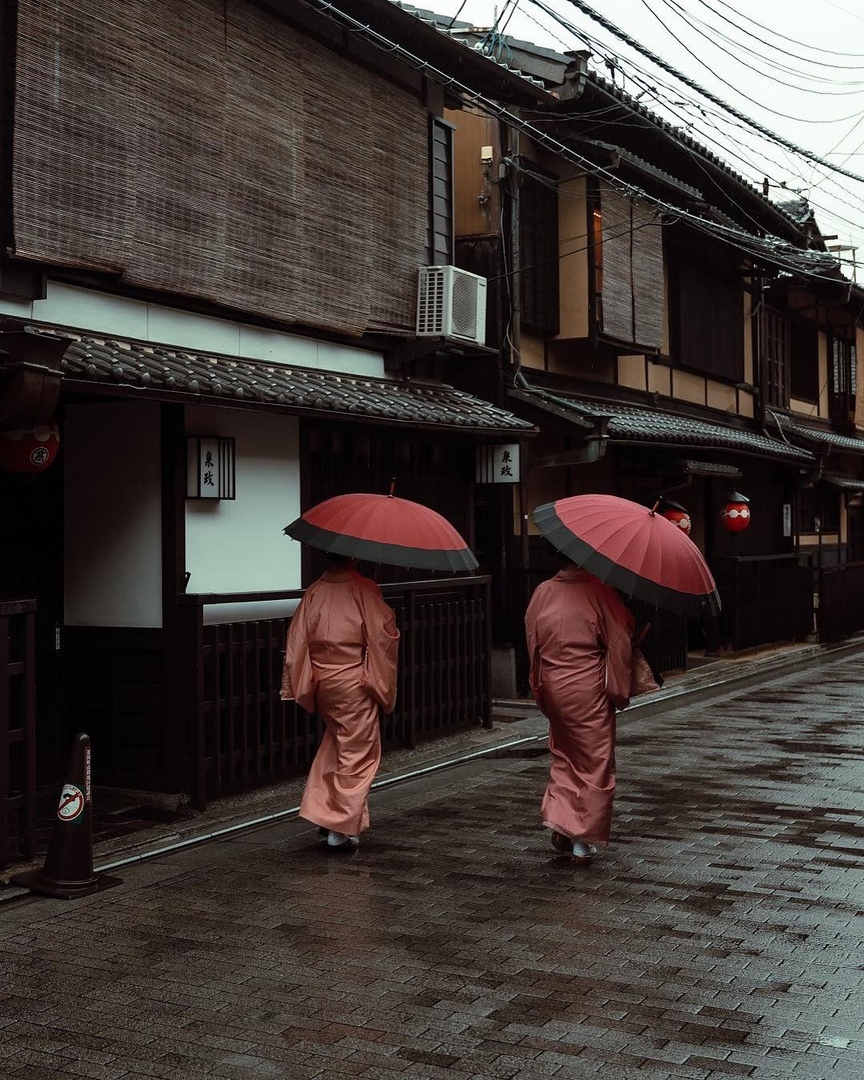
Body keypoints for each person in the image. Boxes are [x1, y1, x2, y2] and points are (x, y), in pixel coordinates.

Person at [281, 553, 400, 850]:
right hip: (353, 683)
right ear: (354, 559)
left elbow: (297, 640)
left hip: (324, 681)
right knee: (358, 753)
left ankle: (327, 813)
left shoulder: (315, 591)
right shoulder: (363, 588)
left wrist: (302, 680)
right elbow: (382, 636)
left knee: (338, 745)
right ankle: (342, 824)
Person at [524, 558, 634, 864]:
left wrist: (539, 684)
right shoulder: (601, 592)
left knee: (565, 754)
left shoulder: (544, 591)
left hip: (554, 685)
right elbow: (620, 640)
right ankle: (581, 840)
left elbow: (532, 641)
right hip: (589, 687)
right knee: (593, 760)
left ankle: (562, 821)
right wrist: (619, 690)